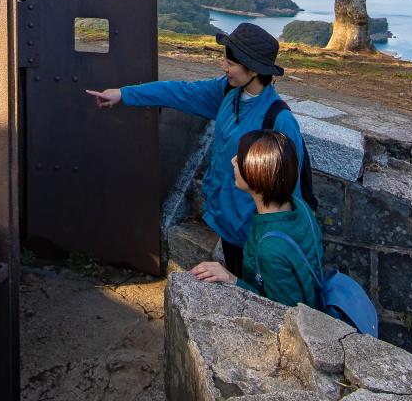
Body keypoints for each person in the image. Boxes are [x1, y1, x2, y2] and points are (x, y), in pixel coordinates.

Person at [86, 22, 307, 276]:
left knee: (255, 296)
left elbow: (293, 192)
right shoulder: (228, 92)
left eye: (231, 63)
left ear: (254, 70)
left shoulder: (279, 120)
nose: (224, 67)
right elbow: (179, 92)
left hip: (256, 234)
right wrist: (124, 94)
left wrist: (277, 244)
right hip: (228, 222)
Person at [189, 130, 322, 307]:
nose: (233, 160)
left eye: (241, 159)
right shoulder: (299, 206)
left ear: (257, 172)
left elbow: (284, 312)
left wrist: (233, 279)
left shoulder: (270, 249)